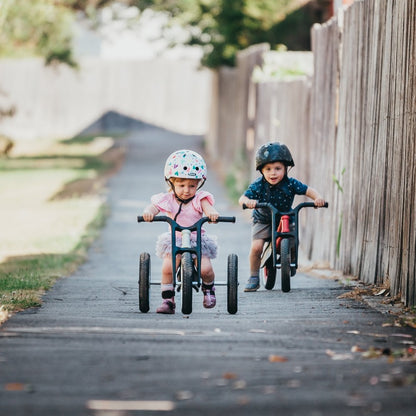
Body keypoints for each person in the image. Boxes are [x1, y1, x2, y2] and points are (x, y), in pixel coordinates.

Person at [238, 141, 325, 292]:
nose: (273, 173)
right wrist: (248, 202)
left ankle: (290, 260)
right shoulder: (259, 185)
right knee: (256, 247)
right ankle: (253, 276)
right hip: (263, 219)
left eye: (278, 168)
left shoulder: (290, 184)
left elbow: (308, 190)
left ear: (286, 168)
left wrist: (317, 198)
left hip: (285, 217)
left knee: (293, 239)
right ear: (261, 171)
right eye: (268, 169)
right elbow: (242, 198)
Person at [142, 149, 220, 314]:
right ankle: (168, 300)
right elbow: (154, 207)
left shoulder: (200, 198)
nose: (186, 190)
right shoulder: (167, 199)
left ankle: (208, 290)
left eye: (192, 185)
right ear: (171, 183)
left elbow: (208, 207)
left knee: (205, 268)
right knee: (167, 268)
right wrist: (149, 212)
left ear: (199, 184)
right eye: (181, 185)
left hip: (197, 239)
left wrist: (211, 213)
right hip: (174, 239)